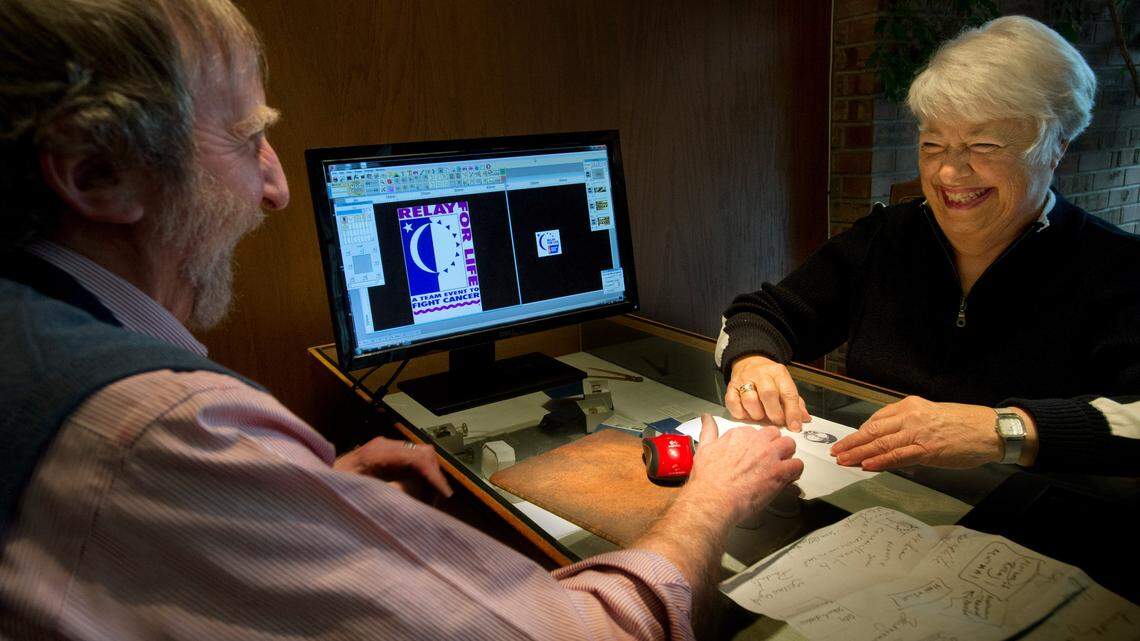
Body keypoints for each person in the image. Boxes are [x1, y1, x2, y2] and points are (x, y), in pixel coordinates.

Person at [0, 1, 804, 639]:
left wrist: (294, 502)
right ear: (96, 174)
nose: (275, 189)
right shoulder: (156, 430)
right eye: (249, 141)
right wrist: (711, 497)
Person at [717, 16, 1139, 476]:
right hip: (876, 501)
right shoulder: (885, 238)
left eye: (983, 145)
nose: (948, 174)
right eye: (933, 145)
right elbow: (758, 314)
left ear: (1055, 147)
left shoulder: (1119, 268)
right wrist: (752, 359)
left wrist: (1002, 430)